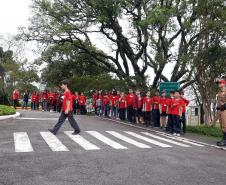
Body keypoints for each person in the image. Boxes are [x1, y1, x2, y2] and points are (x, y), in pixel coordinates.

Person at [216, 79, 226, 146]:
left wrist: (224, 106)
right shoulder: (219, 92)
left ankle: (224, 140)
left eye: (220, 83)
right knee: (222, 125)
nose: (219, 84)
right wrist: (218, 107)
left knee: (225, 125)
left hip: (225, 110)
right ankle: (223, 139)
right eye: (218, 83)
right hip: (220, 110)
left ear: (224, 83)